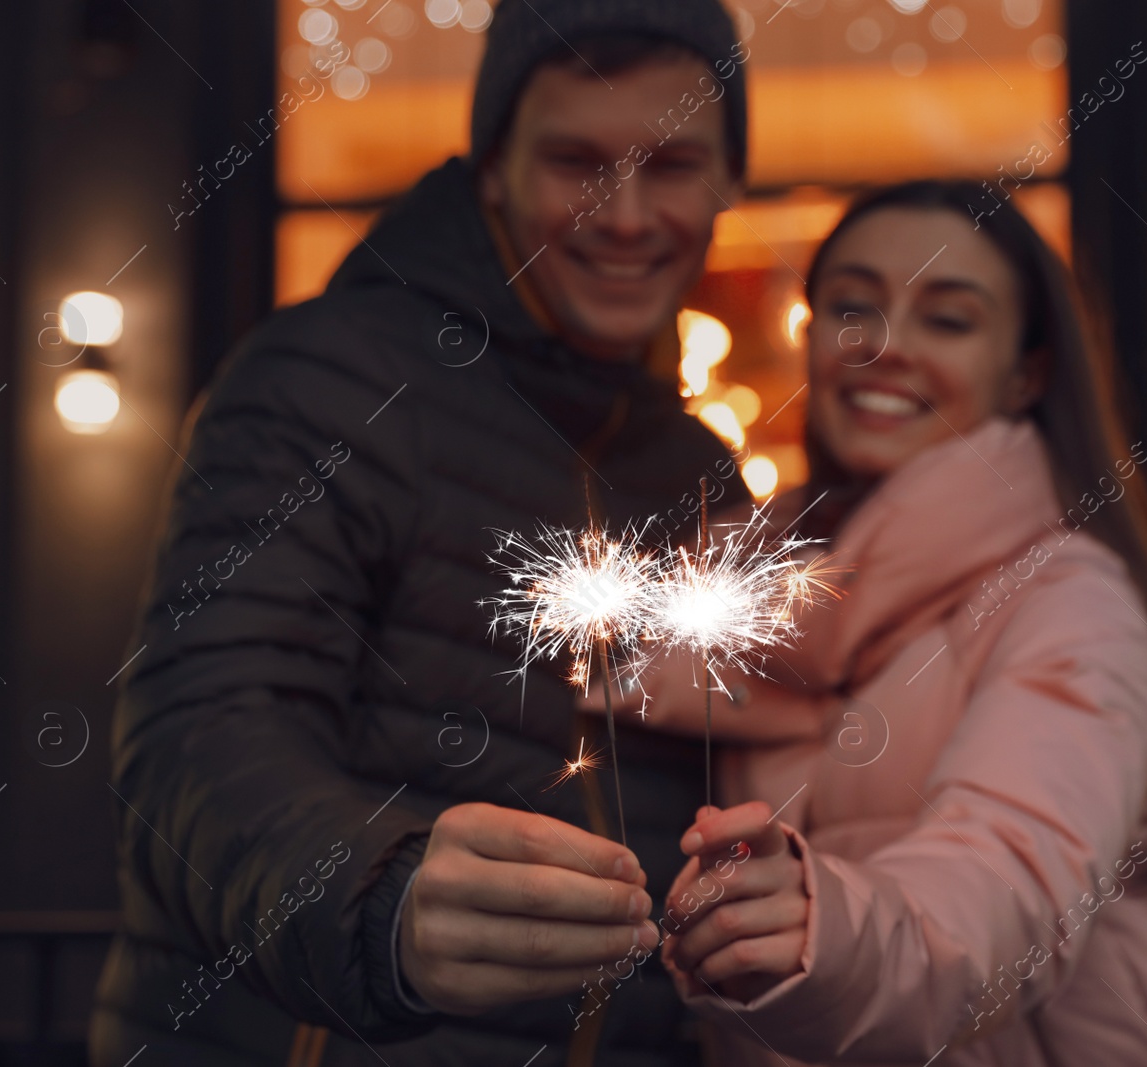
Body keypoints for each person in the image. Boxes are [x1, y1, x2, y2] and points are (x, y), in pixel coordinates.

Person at [89, 2, 758, 1063]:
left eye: (672, 164)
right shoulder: (325, 377)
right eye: (576, 159)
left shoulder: (698, 472)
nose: (626, 215)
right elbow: (199, 736)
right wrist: (379, 898)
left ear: (730, 182)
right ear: (491, 166)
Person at [608, 182, 1147, 1065]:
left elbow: (1005, 885)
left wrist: (819, 932)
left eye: (947, 319)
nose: (884, 344)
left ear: (1025, 372)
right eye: (852, 306)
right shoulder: (738, 600)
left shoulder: (1068, 601)